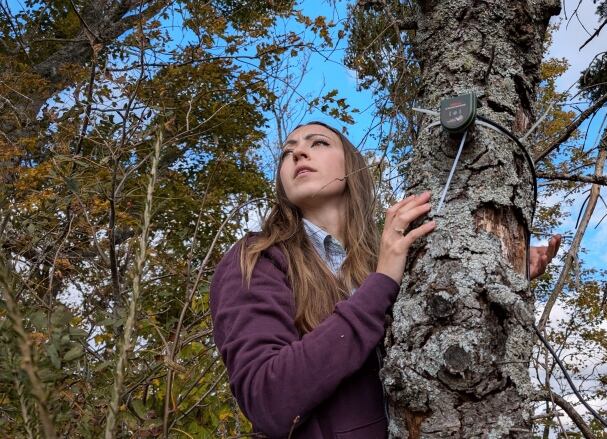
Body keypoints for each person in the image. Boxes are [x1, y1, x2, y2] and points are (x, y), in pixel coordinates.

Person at [209, 121, 561, 438]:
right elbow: (268, 401)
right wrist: (380, 283)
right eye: (288, 151)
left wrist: (494, 276)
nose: (298, 151)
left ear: (352, 167)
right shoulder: (257, 257)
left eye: (318, 143)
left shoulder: (384, 259)